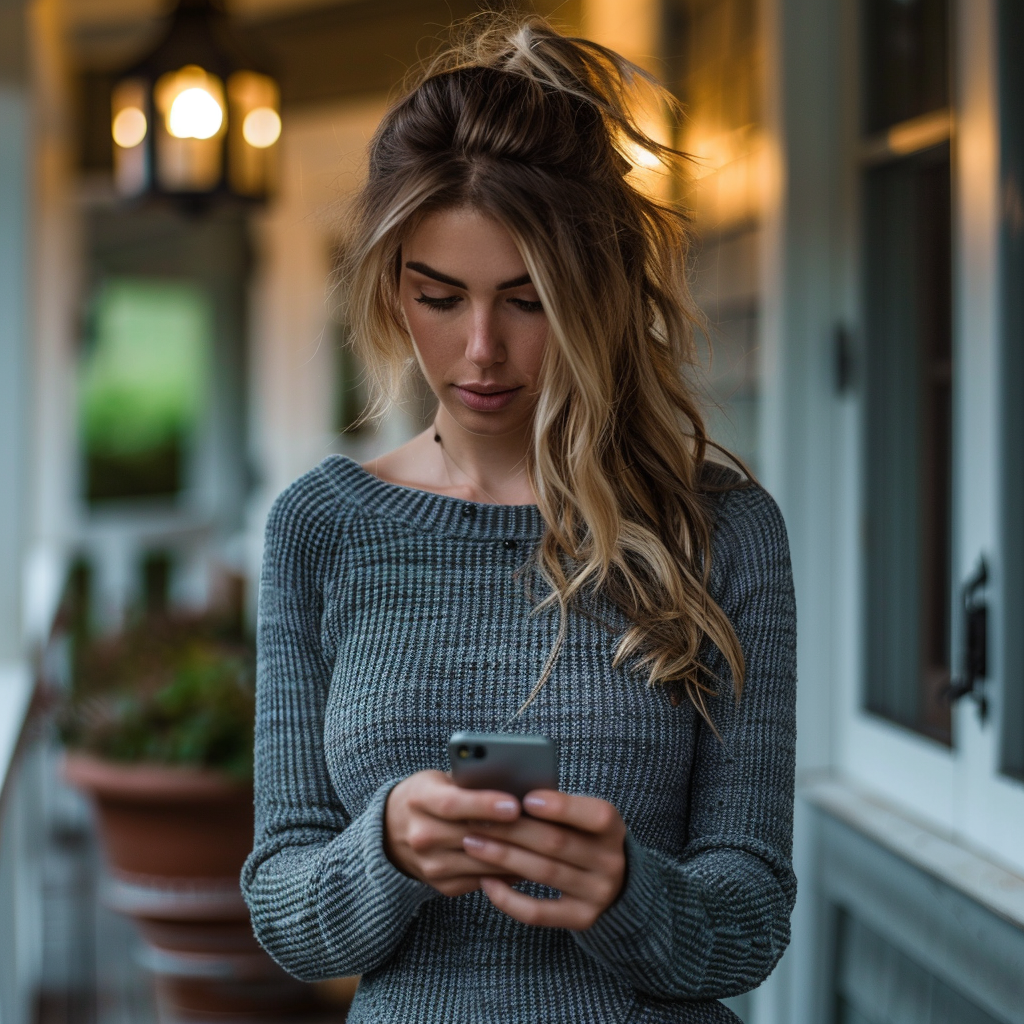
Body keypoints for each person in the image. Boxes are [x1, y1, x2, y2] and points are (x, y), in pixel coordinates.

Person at [241, 14, 797, 1024]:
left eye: (527, 299)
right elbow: (284, 913)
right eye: (439, 297)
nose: (481, 349)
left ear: (597, 290)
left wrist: (629, 894)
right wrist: (388, 849)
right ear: (390, 289)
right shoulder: (320, 529)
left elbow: (750, 920)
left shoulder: (721, 529)